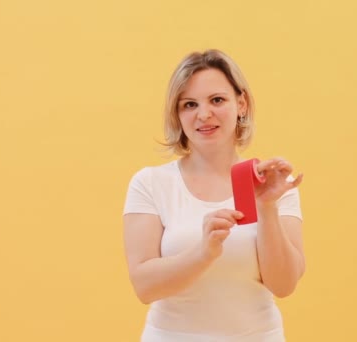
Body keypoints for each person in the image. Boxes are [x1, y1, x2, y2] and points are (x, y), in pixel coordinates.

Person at [122, 49, 305, 341]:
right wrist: (204, 252)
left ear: (241, 103)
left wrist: (267, 206)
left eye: (217, 100)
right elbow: (145, 287)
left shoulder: (270, 184)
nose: (203, 114)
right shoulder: (151, 183)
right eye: (189, 104)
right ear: (177, 114)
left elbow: (283, 285)